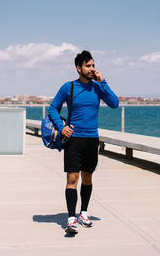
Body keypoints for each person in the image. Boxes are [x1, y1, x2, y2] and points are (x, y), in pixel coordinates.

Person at [48, 50, 119, 234]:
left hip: (91, 140)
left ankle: (84, 213)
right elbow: (53, 108)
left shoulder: (97, 88)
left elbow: (114, 103)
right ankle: (71, 218)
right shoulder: (68, 87)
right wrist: (61, 127)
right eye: (88, 65)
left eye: (93, 65)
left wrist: (103, 82)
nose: (92, 69)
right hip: (74, 140)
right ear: (78, 68)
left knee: (87, 177)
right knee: (72, 178)